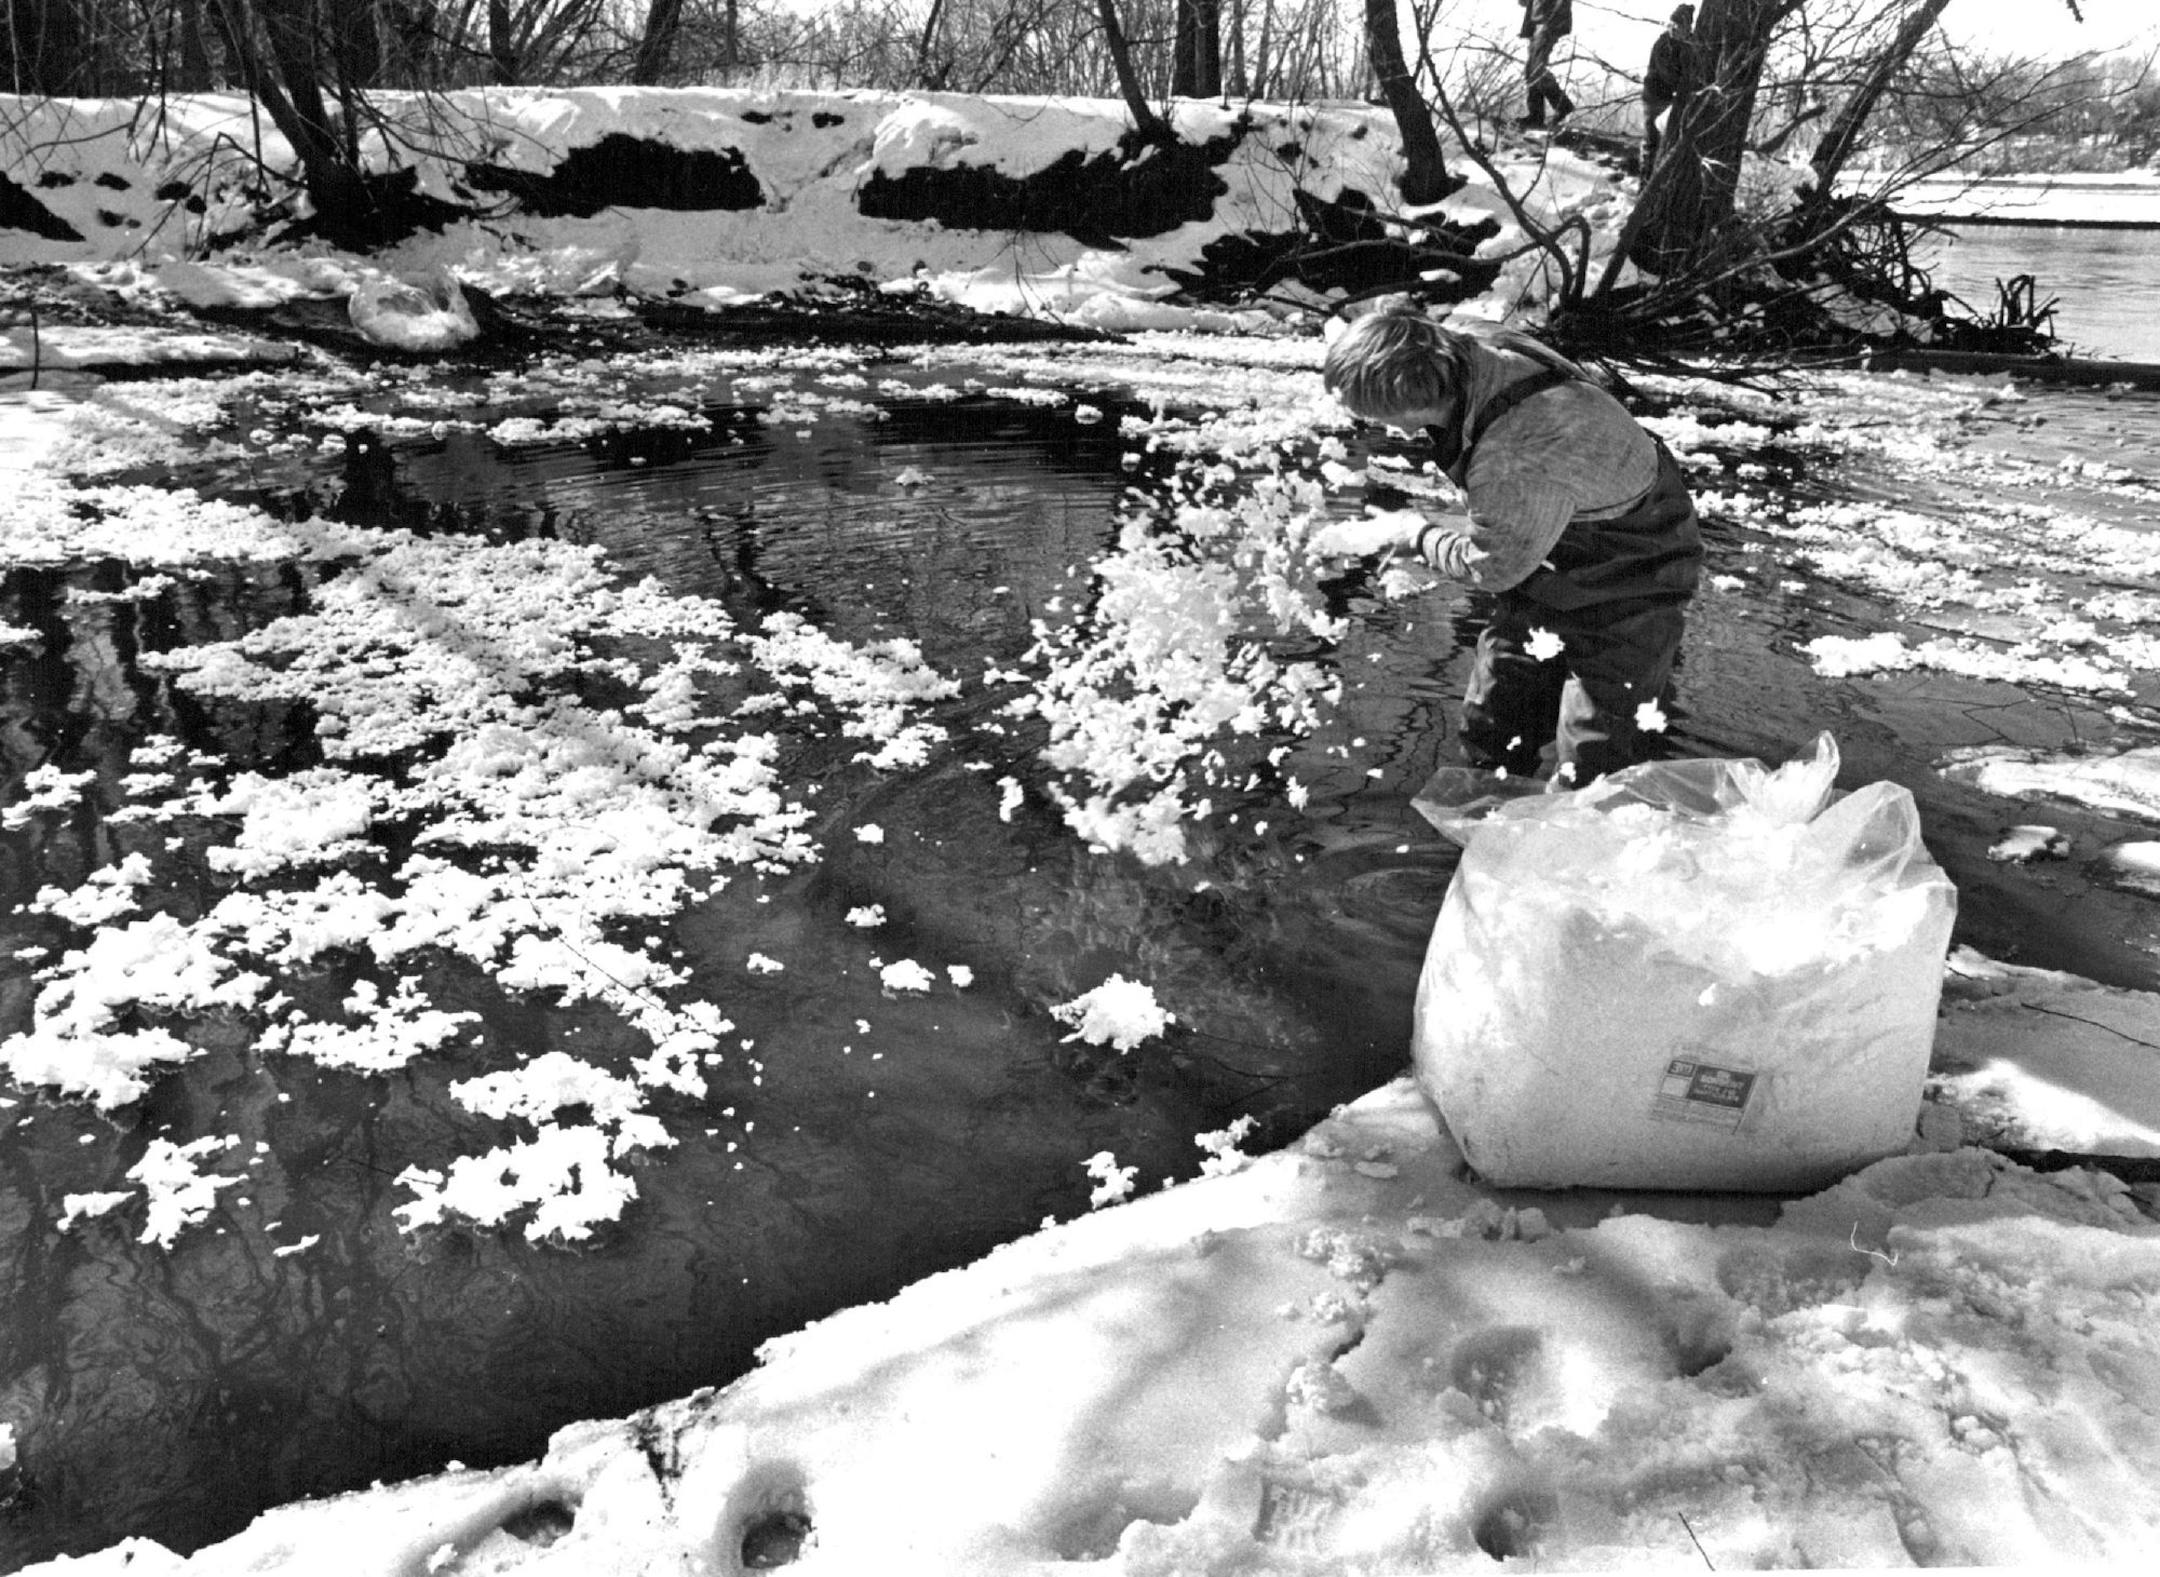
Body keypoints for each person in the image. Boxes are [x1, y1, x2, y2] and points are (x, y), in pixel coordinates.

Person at [1321, 308, 1703, 786]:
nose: (1382, 428)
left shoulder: (1511, 457)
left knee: (1595, 759)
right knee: (1497, 719)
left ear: (1411, 406)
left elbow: (1492, 569)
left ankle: (1600, 815)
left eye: (1378, 415)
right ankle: (1492, 802)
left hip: (1637, 556)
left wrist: (1416, 535)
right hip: (1557, 523)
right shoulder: (1461, 338)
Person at [1642, 5, 1700, 172]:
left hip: (1673, 99)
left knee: (1671, 141)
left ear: (1687, 28)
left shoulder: (1689, 44)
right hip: (1655, 97)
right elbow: (1668, 73)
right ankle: (1646, 178)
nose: (1673, 29)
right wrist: (1684, 85)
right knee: (1652, 141)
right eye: (1672, 25)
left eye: (1678, 26)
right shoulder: (1663, 44)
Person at [1518, 0, 1576, 129]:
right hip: (1536, 25)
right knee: (1530, 71)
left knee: (1536, 70)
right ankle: (1536, 117)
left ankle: (1563, 105)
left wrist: (1551, 23)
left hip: (1548, 24)